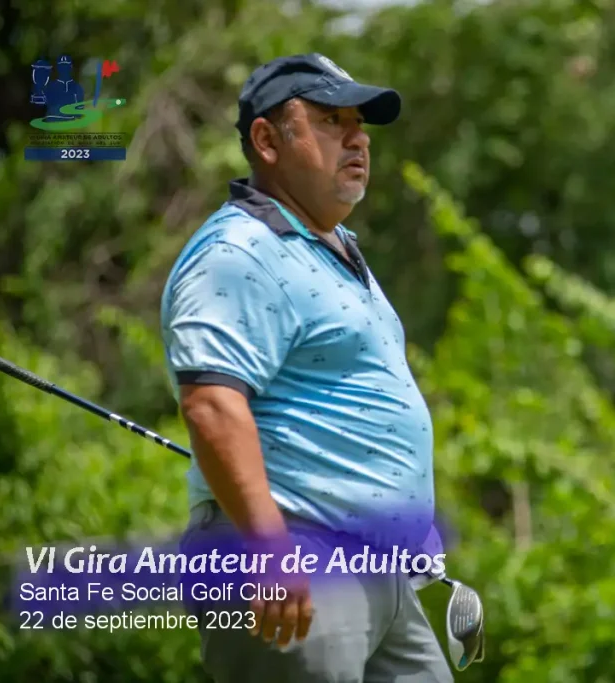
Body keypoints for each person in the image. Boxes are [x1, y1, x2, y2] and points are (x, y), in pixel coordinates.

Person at [159, 53, 453, 682]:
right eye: (329, 121)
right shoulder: (239, 251)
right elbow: (212, 404)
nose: (357, 139)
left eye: (359, 124)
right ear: (267, 141)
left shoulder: (333, 249)